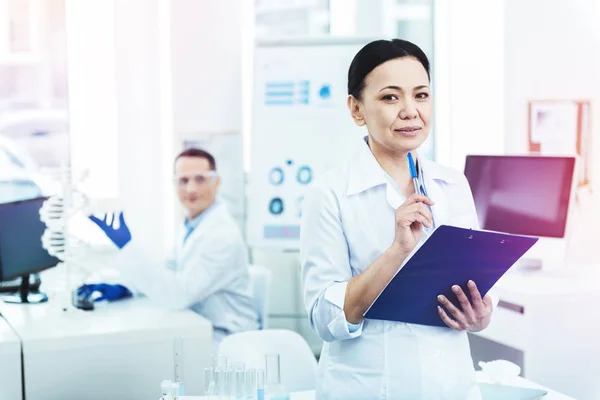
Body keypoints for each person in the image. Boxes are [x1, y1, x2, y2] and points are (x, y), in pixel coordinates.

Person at [300, 39, 494, 399]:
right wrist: (396, 251)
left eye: (421, 95)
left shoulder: (452, 184)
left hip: (451, 387)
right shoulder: (329, 194)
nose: (410, 111)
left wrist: (480, 317)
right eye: (391, 98)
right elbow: (323, 320)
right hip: (368, 389)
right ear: (356, 110)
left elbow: (476, 290)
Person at [81, 148, 259, 346]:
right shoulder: (193, 224)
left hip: (227, 339)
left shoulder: (222, 236)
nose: (190, 189)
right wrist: (126, 287)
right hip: (199, 326)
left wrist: (127, 246)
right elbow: (170, 270)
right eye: (183, 181)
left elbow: (179, 295)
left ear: (216, 183)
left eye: (200, 179)